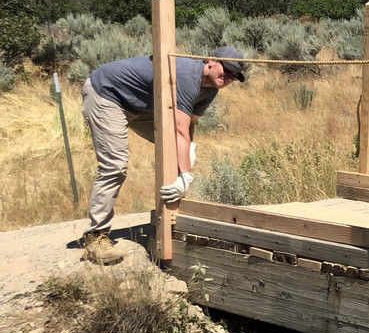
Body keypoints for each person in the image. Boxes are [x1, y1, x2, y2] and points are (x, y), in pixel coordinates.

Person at [81, 46, 247, 265]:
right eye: (227, 70)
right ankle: (95, 238)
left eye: (234, 76)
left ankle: (171, 220)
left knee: (174, 151)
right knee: (115, 166)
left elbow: (189, 124)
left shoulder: (210, 90)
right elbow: (179, 129)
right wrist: (185, 175)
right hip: (107, 93)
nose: (229, 77)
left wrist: (187, 153)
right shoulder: (188, 76)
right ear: (210, 60)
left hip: (139, 105)